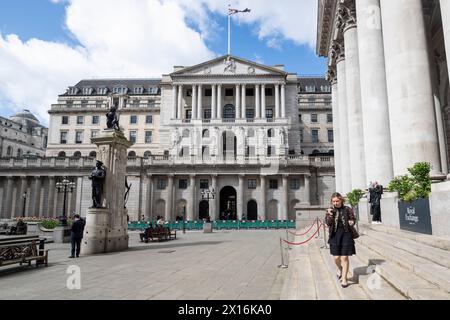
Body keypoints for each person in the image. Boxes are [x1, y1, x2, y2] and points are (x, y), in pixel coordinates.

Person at [325, 193, 357, 288]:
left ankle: (344, 279)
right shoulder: (330, 211)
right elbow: (328, 223)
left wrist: (352, 221)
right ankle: (340, 268)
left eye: (337, 201)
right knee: (336, 258)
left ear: (341, 200)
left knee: (345, 258)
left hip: (346, 235)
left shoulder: (347, 209)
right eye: (333, 201)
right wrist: (330, 214)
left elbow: (353, 218)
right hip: (334, 236)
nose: (335, 203)